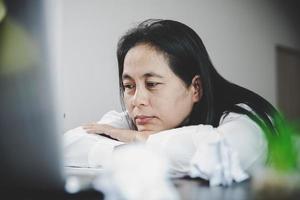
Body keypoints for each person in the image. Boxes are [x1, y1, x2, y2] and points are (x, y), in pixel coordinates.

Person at [64, 19, 280, 186]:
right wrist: (133, 147)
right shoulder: (138, 118)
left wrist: (139, 140)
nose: (137, 100)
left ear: (195, 88)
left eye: (152, 84)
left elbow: (223, 154)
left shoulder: (243, 114)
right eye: (129, 86)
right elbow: (69, 145)